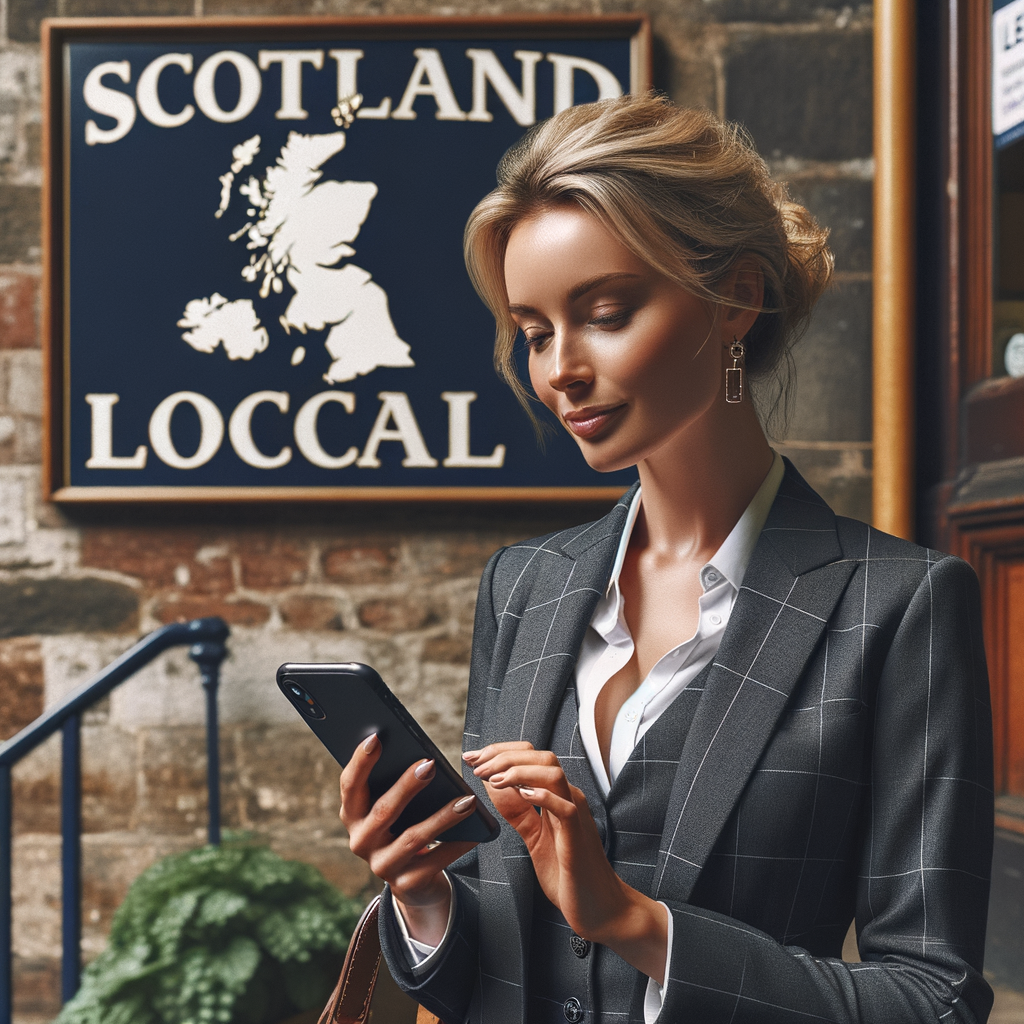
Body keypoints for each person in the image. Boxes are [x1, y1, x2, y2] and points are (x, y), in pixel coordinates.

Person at [338, 94, 994, 1024]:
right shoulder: (524, 587)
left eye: (604, 312)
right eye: (533, 333)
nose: (560, 368)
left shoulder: (899, 608)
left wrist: (636, 923)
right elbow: (500, 979)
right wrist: (427, 899)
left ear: (738, 299)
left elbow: (935, 1001)